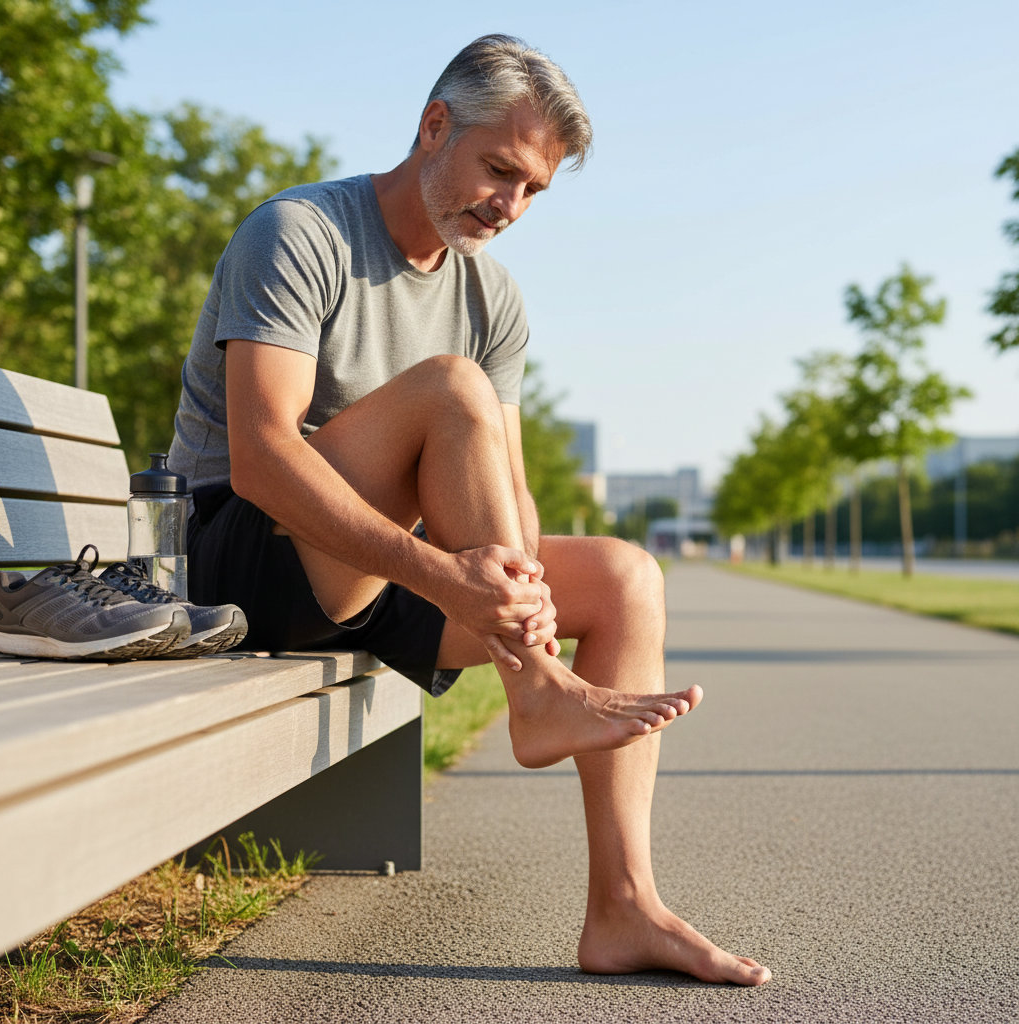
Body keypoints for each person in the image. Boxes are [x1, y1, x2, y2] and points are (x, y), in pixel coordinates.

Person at [168, 34, 771, 986]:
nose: (511, 204)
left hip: (379, 570)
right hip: (235, 565)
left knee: (626, 577)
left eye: (534, 189)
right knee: (450, 387)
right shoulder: (299, 233)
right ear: (433, 125)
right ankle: (537, 690)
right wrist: (450, 579)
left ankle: (624, 907)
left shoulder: (493, 297)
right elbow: (262, 460)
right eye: (500, 170)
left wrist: (519, 593)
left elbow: (509, 490)